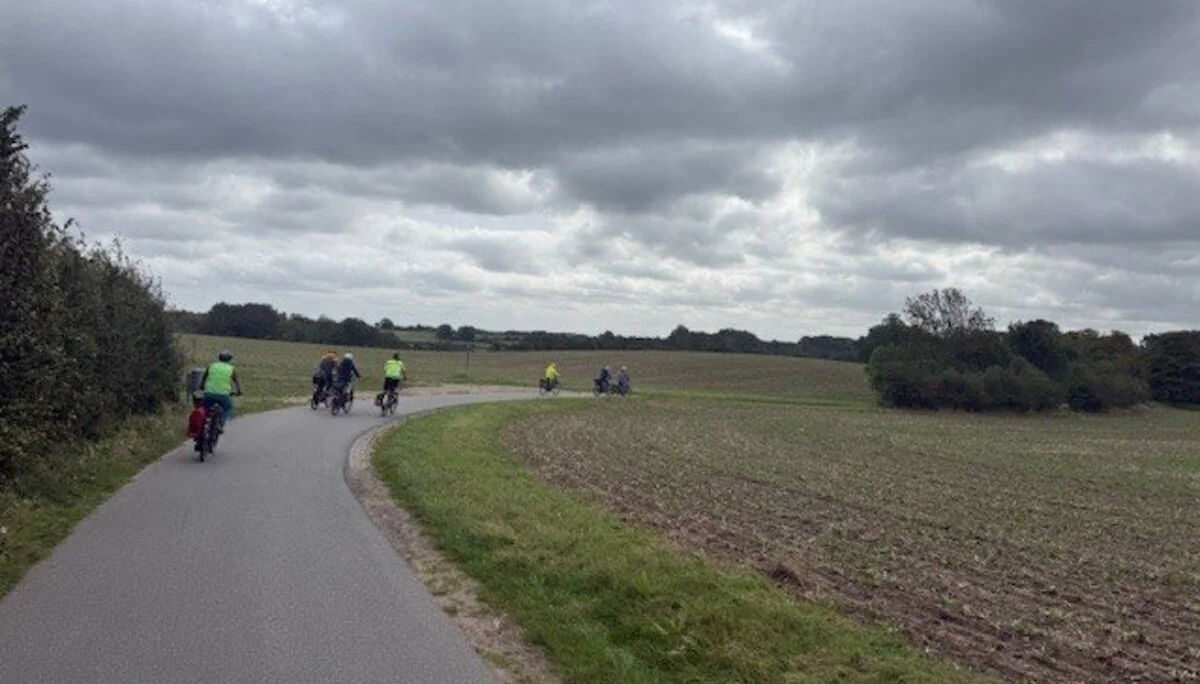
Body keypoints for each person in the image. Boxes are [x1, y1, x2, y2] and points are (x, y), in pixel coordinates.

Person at [200, 349, 242, 431]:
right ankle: (220, 423)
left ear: (219, 358)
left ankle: (203, 425)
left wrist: (201, 387)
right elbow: (237, 382)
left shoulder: (211, 366)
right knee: (228, 408)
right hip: (223, 395)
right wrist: (239, 392)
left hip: (209, 393)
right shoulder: (231, 369)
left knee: (205, 408)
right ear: (230, 359)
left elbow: (204, 379)